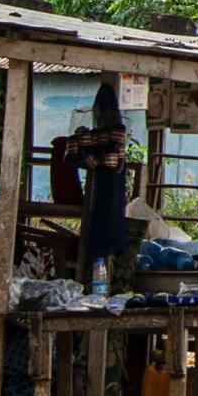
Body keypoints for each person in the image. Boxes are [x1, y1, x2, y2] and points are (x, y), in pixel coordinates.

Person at [48, 88, 136, 281]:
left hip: (109, 182)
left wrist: (86, 146)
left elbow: (102, 162)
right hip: (106, 182)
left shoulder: (113, 134)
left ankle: (101, 273)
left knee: (106, 221)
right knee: (104, 222)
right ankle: (100, 272)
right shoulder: (111, 133)